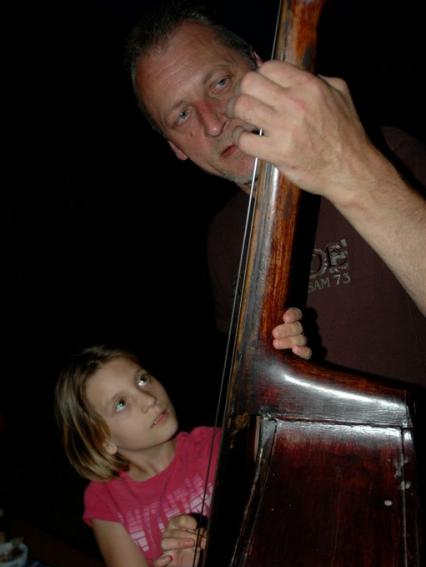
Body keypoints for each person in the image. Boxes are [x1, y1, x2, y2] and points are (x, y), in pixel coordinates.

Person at [124, 1, 426, 389]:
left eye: (219, 83)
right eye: (181, 115)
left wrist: (352, 168)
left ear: (257, 65)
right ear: (175, 146)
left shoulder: (390, 154)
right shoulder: (223, 239)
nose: (213, 123)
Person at [54, 344, 220, 567]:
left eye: (142, 379)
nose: (149, 399)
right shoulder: (105, 499)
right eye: (121, 403)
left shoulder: (217, 445)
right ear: (102, 441)